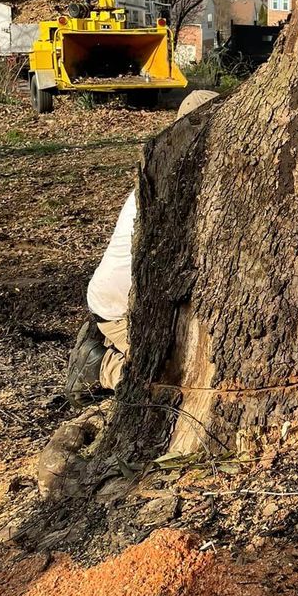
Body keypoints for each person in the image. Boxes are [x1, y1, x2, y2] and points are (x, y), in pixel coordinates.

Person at [64, 89, 219, 402]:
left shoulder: (162, 173)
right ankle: (99, 367)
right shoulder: (184, 190)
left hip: (123, 299)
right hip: (121, 307)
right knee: (176, 386)